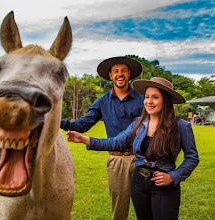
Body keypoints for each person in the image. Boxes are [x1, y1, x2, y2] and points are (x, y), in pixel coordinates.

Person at [66, 77, 199, 220]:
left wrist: (173, 177)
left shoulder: (181, 127)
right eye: (147, 97)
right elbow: (115, 143)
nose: (149, 101)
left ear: (165, 100)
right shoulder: (139, 124)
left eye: (155, 97)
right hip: (139, 183)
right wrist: (83, 139)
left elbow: (192, 158)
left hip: (163, 186)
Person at [61, 57, 144, 220]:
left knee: (146, 210)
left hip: (143, 158)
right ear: (110, 76)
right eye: (116, 71)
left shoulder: (142, 99)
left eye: (123, 71)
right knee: (119, 212)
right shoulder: (102, 102)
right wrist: (56, 120)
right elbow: (82, 125)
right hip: (117, 160)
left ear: (129, 74)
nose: (120, 74)